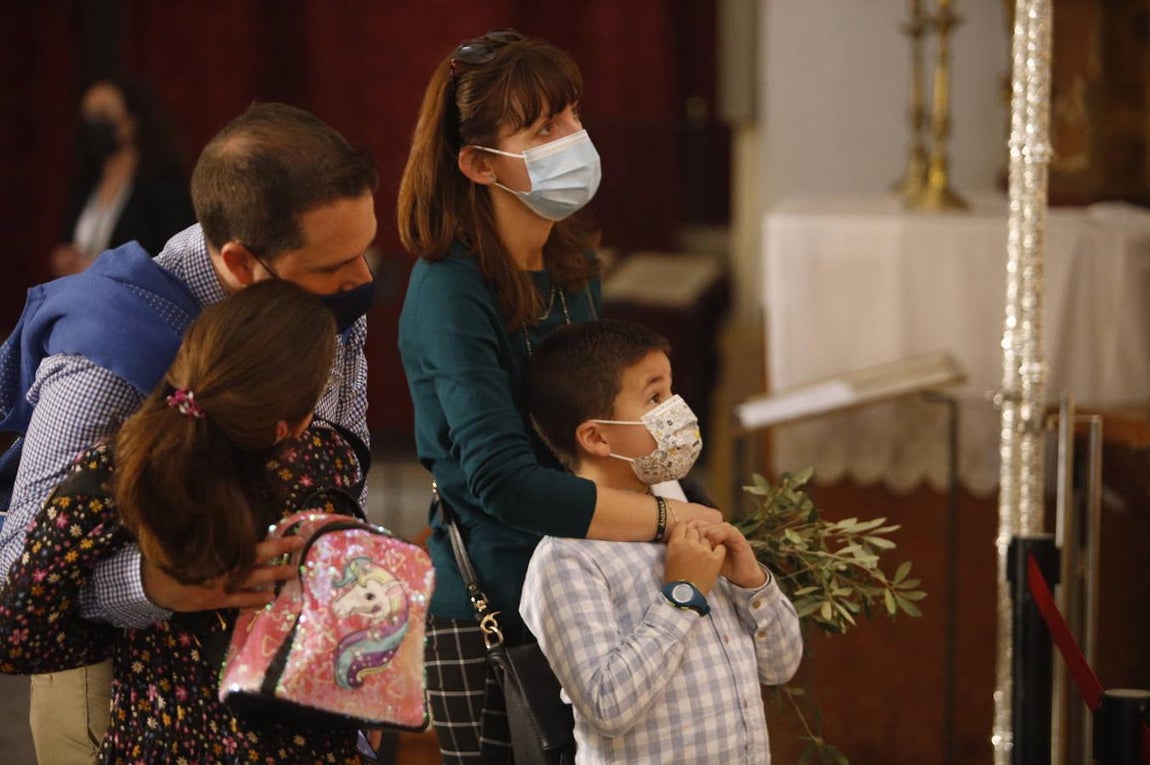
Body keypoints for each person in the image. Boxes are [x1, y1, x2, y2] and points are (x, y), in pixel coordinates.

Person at [0, 101, 377, 765]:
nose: (361, 281)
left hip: (287, 693)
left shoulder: (325, 299)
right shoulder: (109, 352)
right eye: (331, 265)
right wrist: (161, 584)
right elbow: (16, 572)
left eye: (364, 251)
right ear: (240, 259)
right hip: (133, 700)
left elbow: (341, 474)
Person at [396, 29, 721, 763]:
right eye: (544, 128)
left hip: (587, 589)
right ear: (480, 164)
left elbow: (595, 430)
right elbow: (504, 481)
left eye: (572, 115)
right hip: (495, 611)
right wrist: (673, 518)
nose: (575, 137)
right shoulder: (451, 288)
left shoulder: (574, 261)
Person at [520, 319, 804, 763]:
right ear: (596, 436)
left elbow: (780, 665)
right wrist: (682, 596)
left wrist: (752, 581)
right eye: (654, 397)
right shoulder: (566, 558)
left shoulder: (688, 515)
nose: (676, 411)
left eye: (671, 392)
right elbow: (607, 706)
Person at [52, 74, 196, 276]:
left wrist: (102, 268)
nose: (92, 125)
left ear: (131, 123)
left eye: (102, 115)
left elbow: (172, 258)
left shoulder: (163, 187)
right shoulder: (84, 185)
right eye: (87, 116)